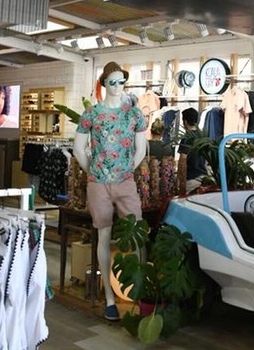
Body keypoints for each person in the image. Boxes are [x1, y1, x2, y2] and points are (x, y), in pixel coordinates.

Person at [73, 61, 146, 322]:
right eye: (112, 82)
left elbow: (141, 149)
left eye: (121, 81)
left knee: (137, 233)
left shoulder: (134, 114)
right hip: (98, 184)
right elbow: (78, 148)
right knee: (103, 235)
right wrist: (93, 172)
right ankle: (110, 299)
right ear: (104, 84)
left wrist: (126, 170)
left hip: (125, 182)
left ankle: (139, 292)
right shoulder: (91, 114)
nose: (117, 86)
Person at [178, 107, 208, 194]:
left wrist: (181, 184)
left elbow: (182, 161)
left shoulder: (187, 138)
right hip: (204, 178)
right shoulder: (203, 136)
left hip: (191, 180)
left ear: (185, 121)